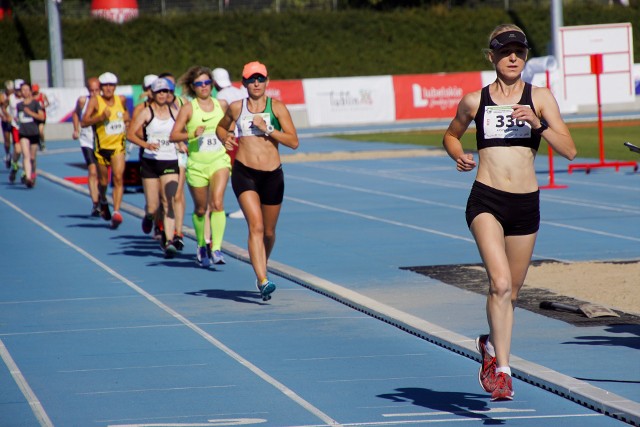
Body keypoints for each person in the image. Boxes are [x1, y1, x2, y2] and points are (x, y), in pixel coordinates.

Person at [442, 24, 576, 401]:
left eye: (518, 50)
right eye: (505, 51)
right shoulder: (475, 100)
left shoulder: (540, 98)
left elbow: (570, 150)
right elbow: (450, 134)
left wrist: (539, 124)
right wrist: (459, 154)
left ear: (526, 55)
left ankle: (488, 344)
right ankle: (502, 370)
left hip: (525, 205)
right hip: (486, 199)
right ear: (492, 57)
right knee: (499, 284)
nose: (512, 57)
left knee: (511, 294)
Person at [216, 61, 299, 301]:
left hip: (273, 174)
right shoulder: (236, 107)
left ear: (267, 81)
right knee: (256, 226)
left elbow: (293, 142)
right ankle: (263, 280)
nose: (256, 83)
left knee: (269, 232)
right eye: (252, 79)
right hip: (245, 173)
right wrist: (225, 138)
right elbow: (220, 128)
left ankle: (262, 262)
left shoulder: (278, 108)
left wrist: (268, 129)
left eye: (260, 79)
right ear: (243, 83)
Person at [169, 66, 230, 268]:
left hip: (219, 161)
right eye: (199, 84)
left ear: (212, 84)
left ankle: (217, 248)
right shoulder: (188, 108)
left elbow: (230, 128)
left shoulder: (221, 104)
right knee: (201, 209)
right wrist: (192, 135)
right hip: (196, 164)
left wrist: (229, 137)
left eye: (207, 82)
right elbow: (173, 135)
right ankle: (202, 245)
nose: (204, 87)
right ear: (193, 87)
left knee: (218, 203)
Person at [127, 77, 181, 258]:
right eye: (159, 92)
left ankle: (168, 241)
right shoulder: (146, 112)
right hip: (150, 162)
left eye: (166, 91)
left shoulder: (176, 111)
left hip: (170, 160)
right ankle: (149, 216)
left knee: (169, 202)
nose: (163, 95)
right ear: (153, 94)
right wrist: (145, 144)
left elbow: (181, 132)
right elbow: (130, 134)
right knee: (153, 206)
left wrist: (183, 142)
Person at [81, 71, 131, 229]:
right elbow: (84, 122)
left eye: (112, 85)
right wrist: (100, 118)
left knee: (117, 177)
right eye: (106, 86)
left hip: (118, 146)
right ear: (101, 87)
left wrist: (127, 121)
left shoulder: (120, 99)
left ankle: (116, 211)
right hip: (101, 148)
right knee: (103, 182)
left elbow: (126, 114)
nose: (109, 88)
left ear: (115, 87)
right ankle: (103, 199)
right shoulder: (95, 101)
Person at [213, 67, 248, 220]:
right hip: (244, 135)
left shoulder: (220, 95)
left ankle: (244, 206)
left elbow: (225, 119)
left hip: (232, 136)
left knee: (237, 173)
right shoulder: (239, 91)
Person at [159, 71, 186, 251]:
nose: (169, 92)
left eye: (171, 88)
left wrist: (183, 142)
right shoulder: (152, 108)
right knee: (165, 197)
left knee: (177, 194)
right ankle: (165, 231)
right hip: (161, 156)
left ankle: (178, 233)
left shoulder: (184, 105)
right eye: (165, 89)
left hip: (180, 155)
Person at [72, 77, 102, 216]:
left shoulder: (106, 102)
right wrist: (76, 129)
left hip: (103, 142)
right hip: (87, 141)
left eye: (97, 90)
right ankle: (95, 203)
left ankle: (102, 198)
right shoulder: (83, 101)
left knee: (102, 175)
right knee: (92, 171)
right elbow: (75, 113)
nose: (95, 93)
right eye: (92, 90)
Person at [16, 82, 45, 188]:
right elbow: (19, 118)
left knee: (32, 158)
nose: (25, 92)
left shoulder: (35, 104)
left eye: (27, 89)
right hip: (23, 132)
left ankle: (33, 174)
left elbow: (41, 117)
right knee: (26, 155)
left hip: (34, 132)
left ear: (30, 91)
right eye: (23, 90)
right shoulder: (19, 105)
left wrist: (30, 113)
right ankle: (28, 178)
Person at [31, 83, 49, 150]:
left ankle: (43, 142)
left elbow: (48, 103)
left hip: (41, 116)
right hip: (34, 116)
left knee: (40, 131)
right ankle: (38, 142)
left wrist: (43, 106)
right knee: (35, 132)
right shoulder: (31, 96)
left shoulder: (42, 95)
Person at [1, 80, 13, 168]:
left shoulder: (15, 96)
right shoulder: (2, 96)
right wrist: (3, 116)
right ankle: (8, 153)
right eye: (9, 90)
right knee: (7, 140)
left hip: (15, 121)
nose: (10, 91)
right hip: (6, 121)